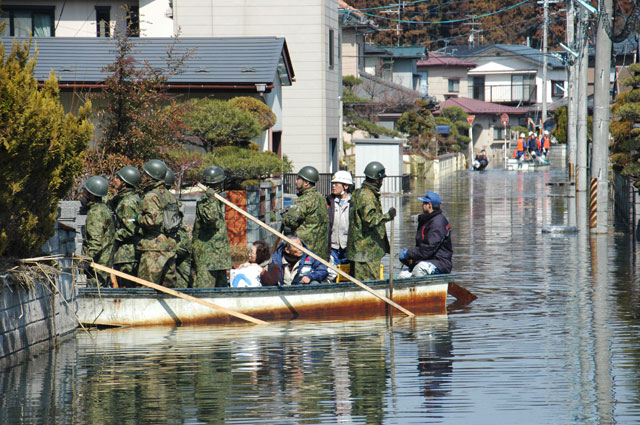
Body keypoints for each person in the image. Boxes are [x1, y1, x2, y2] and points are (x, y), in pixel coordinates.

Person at [346, 161, 396, 281]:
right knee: (368, 284)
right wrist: (388, 216)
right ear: (377, 180)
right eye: (381, 179)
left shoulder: (360, 192)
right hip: (366, 252)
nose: (382, 182)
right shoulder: (366, 195)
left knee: (362, 284)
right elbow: (370, 219)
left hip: (362, 250)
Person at [136, 159, 178, 287]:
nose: (142, 177)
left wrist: (138, 218)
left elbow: (152, 220)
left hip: (153, 249)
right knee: (167, 289)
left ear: (151, 177)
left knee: (146, 288)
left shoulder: (151, 196)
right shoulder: (170, 196)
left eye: (145, 175)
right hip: (169, 246)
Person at [192, 165, 232, 287]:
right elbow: (211, 218)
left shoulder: (217, 200)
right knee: (204, 292)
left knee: (222, 293)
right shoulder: (205, 202)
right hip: (207, 258)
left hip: (219, 257)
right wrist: (210, 199)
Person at [399, 191, 452, 277]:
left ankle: (423, 289)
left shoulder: (438, 223)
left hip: (440, 263)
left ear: (429, 205)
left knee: (419, 269)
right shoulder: (429, 219)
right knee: (402, 275)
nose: (422, 205)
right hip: (429, 260)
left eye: (424, 203)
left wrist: (409, 253)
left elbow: (427, 249)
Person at [283, 166, 330, 260]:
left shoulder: (302, 200)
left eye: (298, 179)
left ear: (306, 183)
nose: (296, 181)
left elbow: (290, 221)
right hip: (321, 251)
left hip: (304, 250)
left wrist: (286, 215)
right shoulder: (321, 198)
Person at [81, 176, 115, 287]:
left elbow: (95, 242)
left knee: (94, 294)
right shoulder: (104, 208)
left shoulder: (96, 212)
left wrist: (85, 260)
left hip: (97, 265)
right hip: (103, 263)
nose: (83, 195)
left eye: (86, 192)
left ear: (93, 195)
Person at [112, 166, 142, 287]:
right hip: (131, 254)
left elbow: (129, 230)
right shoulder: (134, 198)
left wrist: (111, 237)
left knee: (126, 291)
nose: (114, 180)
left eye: (117, 178)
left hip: (127, 256)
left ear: (124, 184)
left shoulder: (127, 203)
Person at [263, 235, 328, 286]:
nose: (300, 248)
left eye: (300, 245)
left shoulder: (310, 256)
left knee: (315, 284)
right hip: (283, 294)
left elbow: (322, 270)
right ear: (287, 250)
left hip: (303, 292)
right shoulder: (275, 259)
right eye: (296, 246)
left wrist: (311, 276)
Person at [165, 169, 192, 288]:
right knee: (184, 280)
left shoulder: (157, 198)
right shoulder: (173, 198)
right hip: (183, 241)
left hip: (172, 243)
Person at [327, 170, 353, 266]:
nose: (333, 186)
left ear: (346, 186)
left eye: (336, 184)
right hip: (333, 247)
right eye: (333, 184)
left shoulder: (354, 202)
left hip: (349, 247)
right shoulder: (329, 201)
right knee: (334, 274)